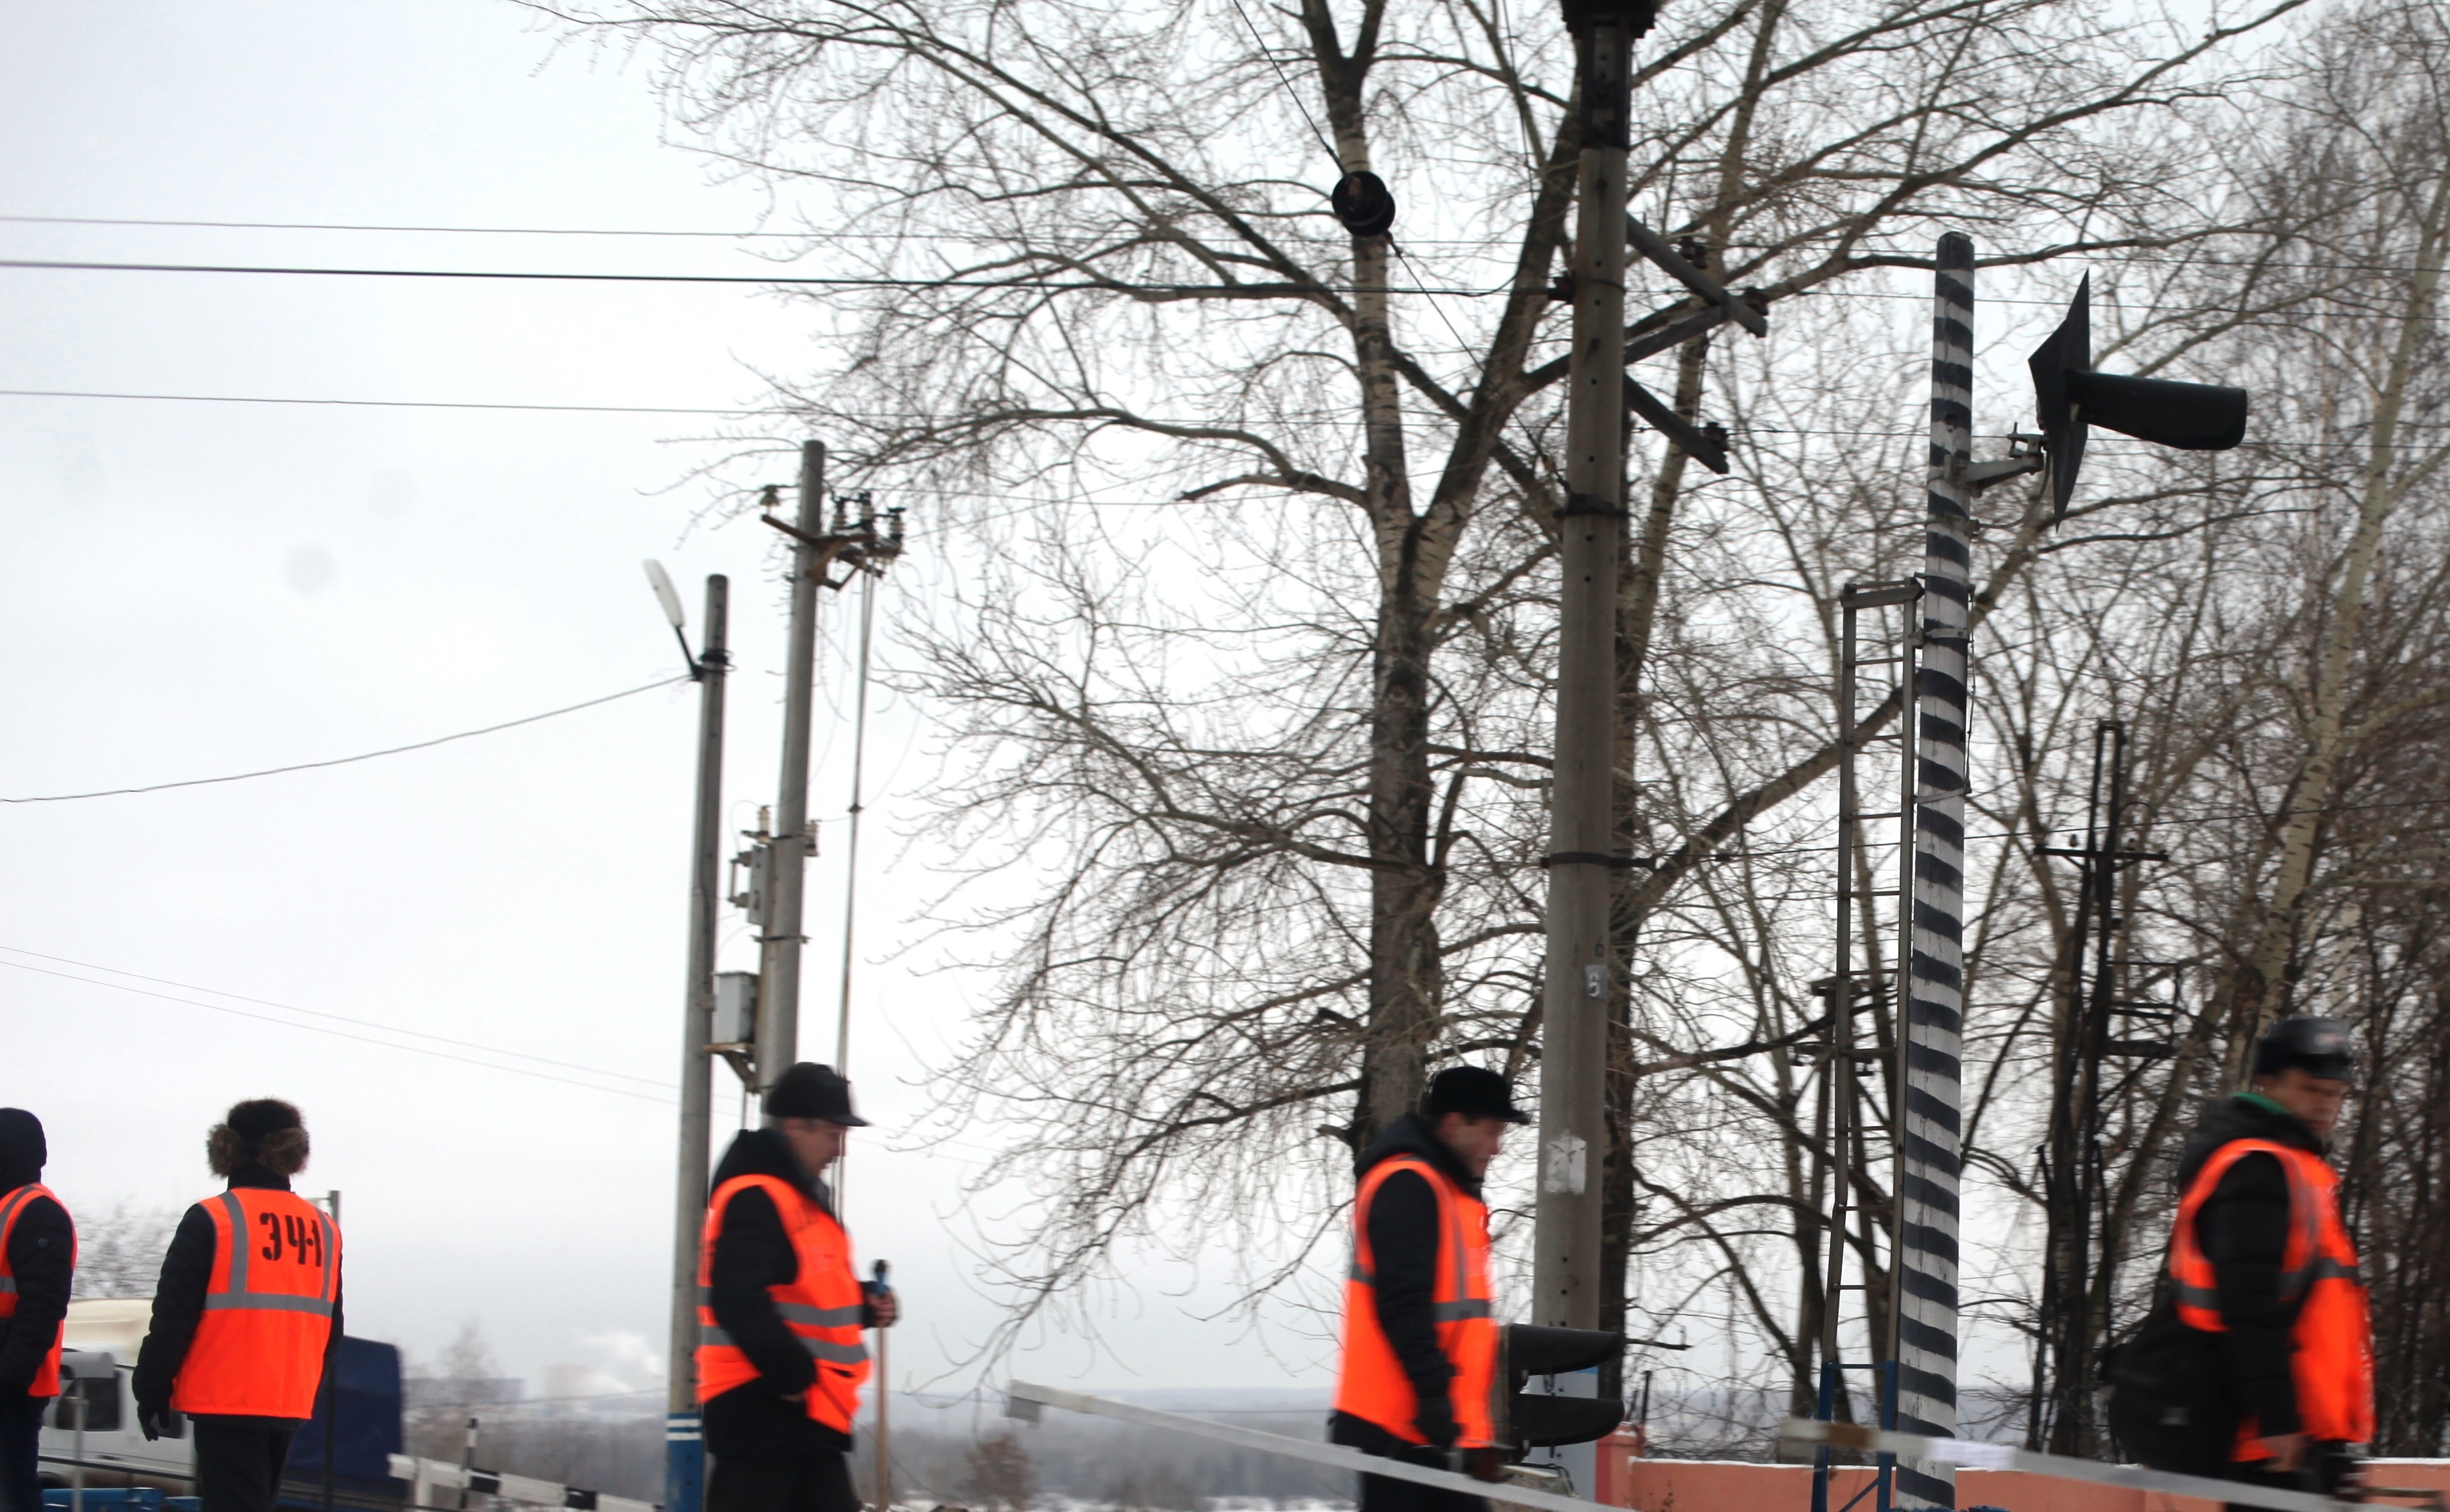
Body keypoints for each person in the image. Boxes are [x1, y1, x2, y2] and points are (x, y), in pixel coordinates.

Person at [2108, 1017, 2372, 1507]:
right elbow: (2247, 1307)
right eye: (2311, 1089)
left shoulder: (2295, 1168)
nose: (2324, 1105)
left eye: (2335, 1094)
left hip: (2301, 1428)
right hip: (2269, 1436)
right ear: (2266, 1082)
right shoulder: (2257, 1169)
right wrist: (2278, 1420)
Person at [697, 1063, 898, 1512]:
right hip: (763, 1415)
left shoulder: (800, 1200)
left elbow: (810, 1293)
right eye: (832, 1134)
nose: (839, 1150)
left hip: (805, 1418)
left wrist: (867, 1303)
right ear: (794, 1126)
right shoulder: (758, 1196)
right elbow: (737, 1299)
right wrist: (791, 1374)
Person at [1331, 1066, 1525, 1512]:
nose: (1497, 1148)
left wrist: (1472, 1433)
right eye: (1492, 1131)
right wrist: (1434, 1395)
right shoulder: (1408, 1184)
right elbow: (1402, 1302)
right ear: (1455, 1123)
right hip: (1402, 1425)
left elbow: (1459, 1324)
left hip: (1432, 1426)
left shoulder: (1447, 1191)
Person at [134, 1100, 342, 1512]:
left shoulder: (213, 1218)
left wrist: (151, 1388)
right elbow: (331, 1331)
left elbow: (174, 1318)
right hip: (288, 1401)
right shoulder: (324, 1229)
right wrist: (305, 1389)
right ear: (293, 1153)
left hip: (226, 1399)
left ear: (226, 1150)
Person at [0, 1111, 75, 1512]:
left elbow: (43, 1304)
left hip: (11, 1390)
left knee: (12, 1496)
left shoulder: (36, 1211)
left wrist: (9, 1379)